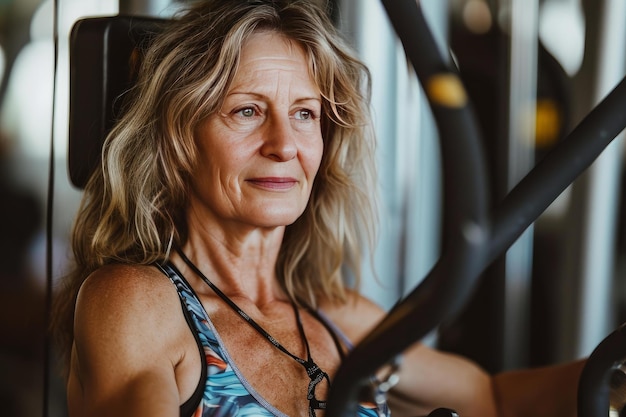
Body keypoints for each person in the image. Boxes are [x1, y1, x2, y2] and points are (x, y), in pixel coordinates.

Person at [52, 1, 586, 416]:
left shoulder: (338, 316)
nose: (284, 144)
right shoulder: (137, 302)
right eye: (246, 111)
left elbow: (493, 401)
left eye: (304, 114)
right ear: (180, 140)